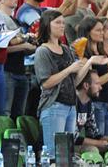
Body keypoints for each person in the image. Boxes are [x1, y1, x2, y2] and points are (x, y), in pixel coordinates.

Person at [34, 9, 99, 152]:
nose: (62, 25)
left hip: (70, 105)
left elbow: (74, 82)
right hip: (54, 105)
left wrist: (88, 63)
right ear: (47, 25)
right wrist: (69, 69)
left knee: (67, 153)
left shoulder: (65, 49)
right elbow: (46, 83)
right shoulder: (43, 51)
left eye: (63, 22)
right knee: (54, 152)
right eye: (57, 22)